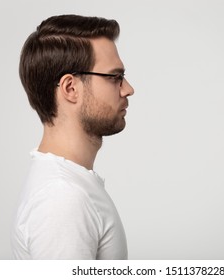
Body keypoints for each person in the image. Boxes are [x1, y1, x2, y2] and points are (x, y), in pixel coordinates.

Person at [11, 14, 134, 260]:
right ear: (70, 88)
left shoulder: (67, 186)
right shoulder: (64, 197)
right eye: (114, 77)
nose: (128, 88)